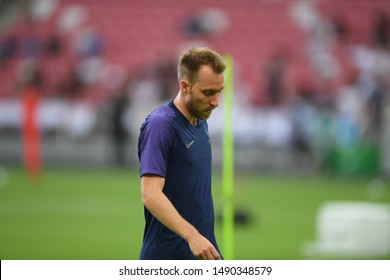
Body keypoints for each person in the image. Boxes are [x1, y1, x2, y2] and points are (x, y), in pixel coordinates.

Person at [137, 47, 226, 260]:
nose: (216, 102)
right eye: (208, 93)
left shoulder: (201, 122)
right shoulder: (161, 125)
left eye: (219, 92)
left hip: (202, 251)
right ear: (185, 86)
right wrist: (192, 236)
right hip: (167, 257)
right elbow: (150, 194)